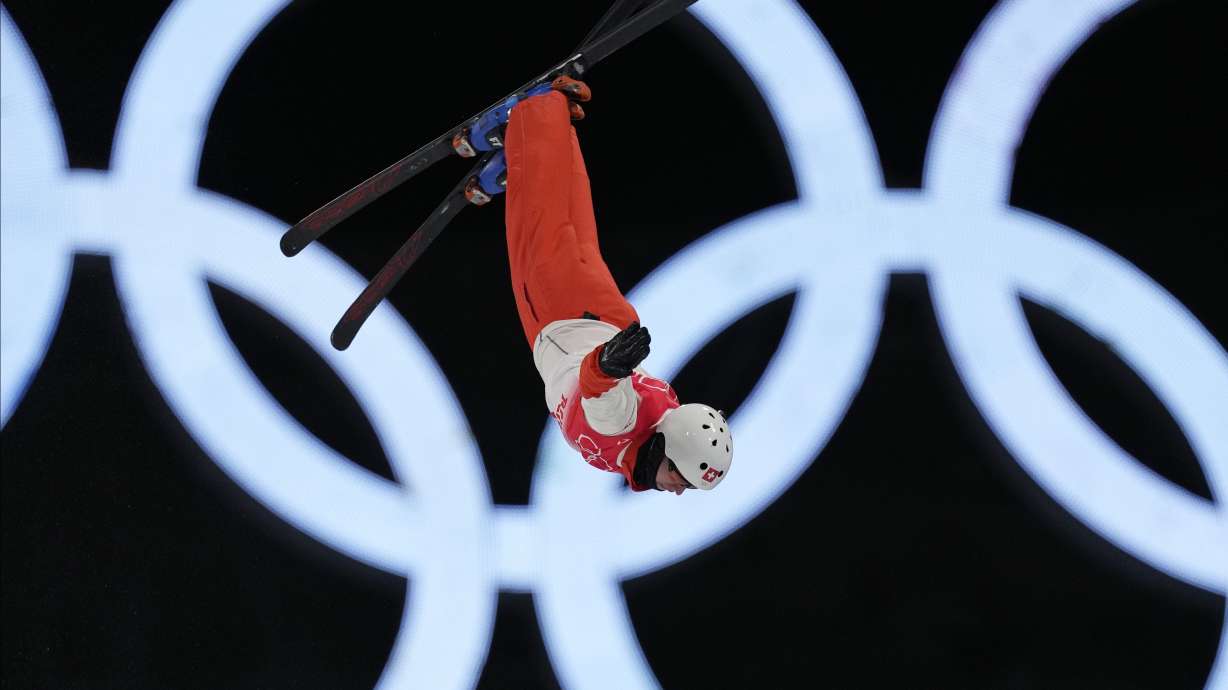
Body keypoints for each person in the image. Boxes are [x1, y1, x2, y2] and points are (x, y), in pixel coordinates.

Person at [456, 76, 733, 495]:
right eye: (681, 477)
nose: (678, 490)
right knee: (538, 222)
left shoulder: (657, 426)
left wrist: (610, 366)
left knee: (565, 215)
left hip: (602, 316)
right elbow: (597, 388)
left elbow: (608, 391)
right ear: (666, 450)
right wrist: (607, 367)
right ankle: (528, 113)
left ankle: (547, 129)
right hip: (562, 314)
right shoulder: (621, 424)